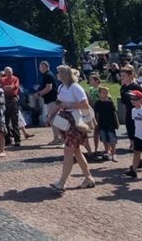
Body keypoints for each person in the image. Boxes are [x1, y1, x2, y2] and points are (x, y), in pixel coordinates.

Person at [49, 65, 94, 193]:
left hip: (76, 121)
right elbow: (59, 104)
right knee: (76, 151)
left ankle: (61, 182)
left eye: (58, 72)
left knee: (68, 150)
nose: (56, 74)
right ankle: (88, 178)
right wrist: (50, 117)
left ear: (63, 74)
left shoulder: (76, 87)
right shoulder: (61, 87)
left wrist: (68, 104)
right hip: (66, 120)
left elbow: (85, 104)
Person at [119, 66, 142, 150]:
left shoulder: (136, 87)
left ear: (131, 76)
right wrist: (125, 114)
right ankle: (132, 144)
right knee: (130, 128)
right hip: (129, 111)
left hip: (138, 110)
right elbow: (124, 103)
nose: (122, 77)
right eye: (121, 75)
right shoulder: (123, 88)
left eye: (124, 75)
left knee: (138, 128)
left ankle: (141, 144)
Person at [94, 86, 119, 162]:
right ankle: (107, 151)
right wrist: (96, 122)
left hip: (110, 123)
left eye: (106, 93)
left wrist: (116, 123)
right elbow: (97, 114)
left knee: (112, 139)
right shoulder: (98, 103)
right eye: (103, 93)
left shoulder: (110, 103)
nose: (105, 94)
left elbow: (114, 113)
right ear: (100, 93)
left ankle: (114, 154)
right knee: (104, 139)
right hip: (102, 123)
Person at [0, 67, 22, 147]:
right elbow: (1, 89)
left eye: (9, 72)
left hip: (13, 99)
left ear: (12, 72)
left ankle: (17, 140)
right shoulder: (2, 79)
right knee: (5, 121)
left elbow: (13, 88)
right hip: (5, 99)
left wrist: (6, 88)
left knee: (15, 120)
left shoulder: (15, 79)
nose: (8, 73)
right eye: (6, 72)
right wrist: (7, 88)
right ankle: (7, 139)